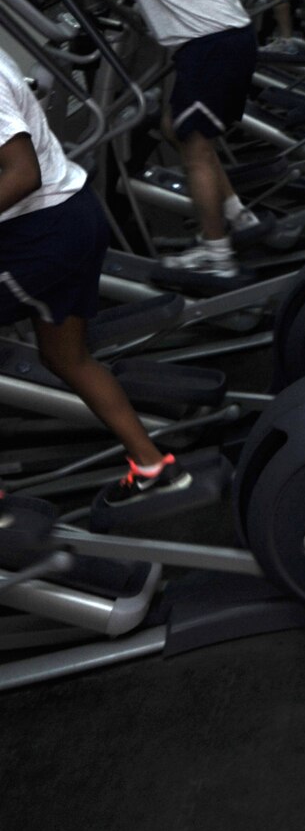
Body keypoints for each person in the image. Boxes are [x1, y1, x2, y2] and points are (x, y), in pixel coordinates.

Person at [0, 0, 259, 276]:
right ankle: (237, 217)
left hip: (213, 46)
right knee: (179, 129)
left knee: (194, 145)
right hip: (217, 43)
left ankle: (218, 256)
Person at [0, 46, 190, 507]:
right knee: (66, 357)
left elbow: (22, 173)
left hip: (39, 235)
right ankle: (152, 466)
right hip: (72, 214)